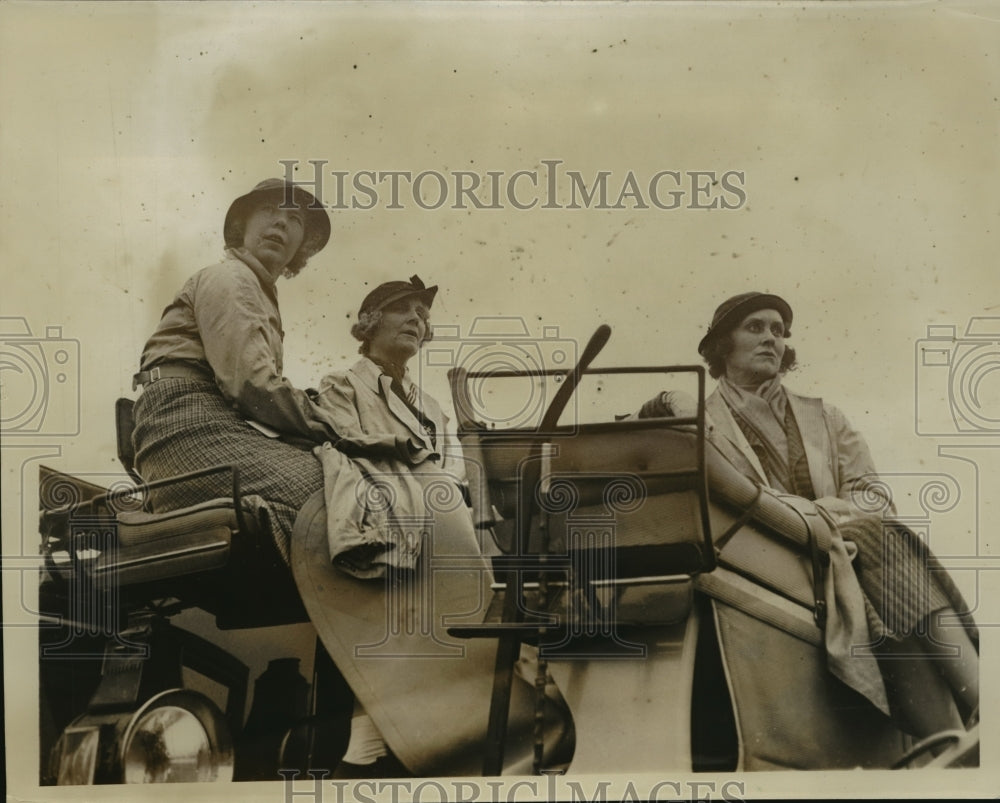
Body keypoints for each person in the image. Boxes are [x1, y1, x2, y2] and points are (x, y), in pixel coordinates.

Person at [639, 291, 978, 741]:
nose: (771, 339)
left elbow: (875, 496)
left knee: (878, 578)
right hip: (763, 560)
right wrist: (669, 397)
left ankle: (950, 736)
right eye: (755, 327)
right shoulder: (702, 417)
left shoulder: (826, 417)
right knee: (878, 549)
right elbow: (641, 441)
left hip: (845, 555)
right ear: (722, 345)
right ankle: (977, 699)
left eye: (778, 331)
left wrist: (825, 513)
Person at [131, 178, 339, 563]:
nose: (281, 222)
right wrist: (338, 428)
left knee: (340, 478)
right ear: (243, 225)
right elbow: (252, 385)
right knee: (338, 490)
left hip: (207, 426)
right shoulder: (232, 278)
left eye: (294, 219)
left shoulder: (259, 293)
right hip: (187, 427)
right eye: (269, 211)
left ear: (301, 246)